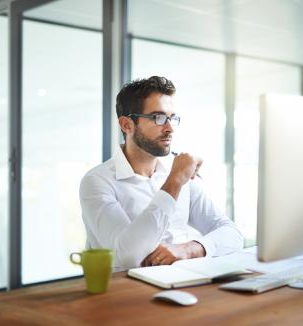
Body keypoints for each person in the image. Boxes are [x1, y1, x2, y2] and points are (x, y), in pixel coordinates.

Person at [79, 76, 244, 271]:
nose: (170, 128)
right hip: (129, 293)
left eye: (172, 117)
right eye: (158, 118)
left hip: (187, 282)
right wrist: (174, 182)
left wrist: (189, 249)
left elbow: (232, 235)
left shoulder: (180, 171)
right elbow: (127, 256)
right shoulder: (97, 181)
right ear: (126, 125)